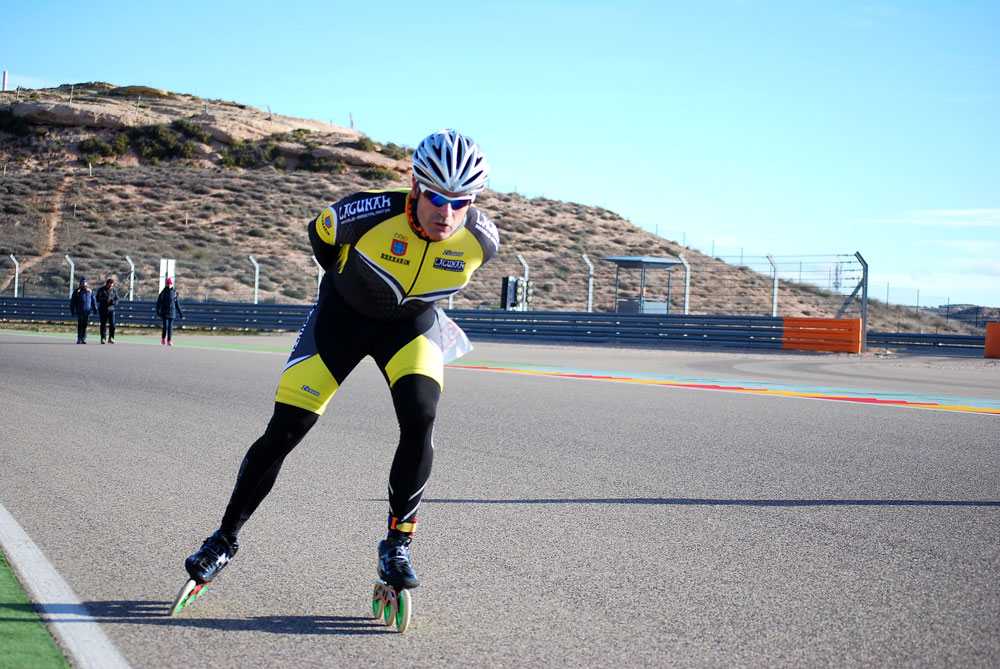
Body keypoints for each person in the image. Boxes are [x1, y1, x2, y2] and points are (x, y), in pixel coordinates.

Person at [184, 129, 499, 594]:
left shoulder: (481, 242)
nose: (447, 212)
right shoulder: (362, 214)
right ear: (415, 186)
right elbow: (321, 242)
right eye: (436, 197)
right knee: (286, 430)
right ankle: (223, 540)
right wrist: (349, 289)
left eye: (461, 201)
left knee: (421, 416)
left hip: (409, 328)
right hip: (342, 320)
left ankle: (397, 543)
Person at [69, 276, 98, 344]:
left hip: (87, 311)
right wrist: (72, 310)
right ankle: (79, 338)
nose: (84, 284)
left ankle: (83, 338)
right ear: (80, 283)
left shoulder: (90, 291)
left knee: (85, 325)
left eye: (85, 282)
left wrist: (95, 309)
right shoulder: (77, 291)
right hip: (80, 310)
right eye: (83, 282)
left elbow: (93, 301)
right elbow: (73, 302)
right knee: (80, 324)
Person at [156, 278, 184, 346]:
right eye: (168, 284)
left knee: (170, 327)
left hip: (172, 312)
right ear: (166, 284)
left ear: (172, 284)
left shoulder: (174, 293)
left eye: (170, 284)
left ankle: (169, 340)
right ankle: (163, 338)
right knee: (165, 326)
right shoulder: (163, 293)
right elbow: (159, 303)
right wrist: (158, 310)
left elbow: (177, 304)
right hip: (165, 312)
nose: (169, 285)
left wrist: (180, 313)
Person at [95, 277, 120, 344]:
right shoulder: (101, 290)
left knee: (112, 324)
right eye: (109, 285)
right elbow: (97, 298)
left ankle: (111, 337)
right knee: (103, 324)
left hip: (111, 309)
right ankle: (103, 338)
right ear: (107, 284)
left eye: (112, 285)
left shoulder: (114, 291)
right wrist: (106, 300)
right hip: (103, 309)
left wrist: (113, 302)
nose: (110, 286)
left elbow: (117, 299)